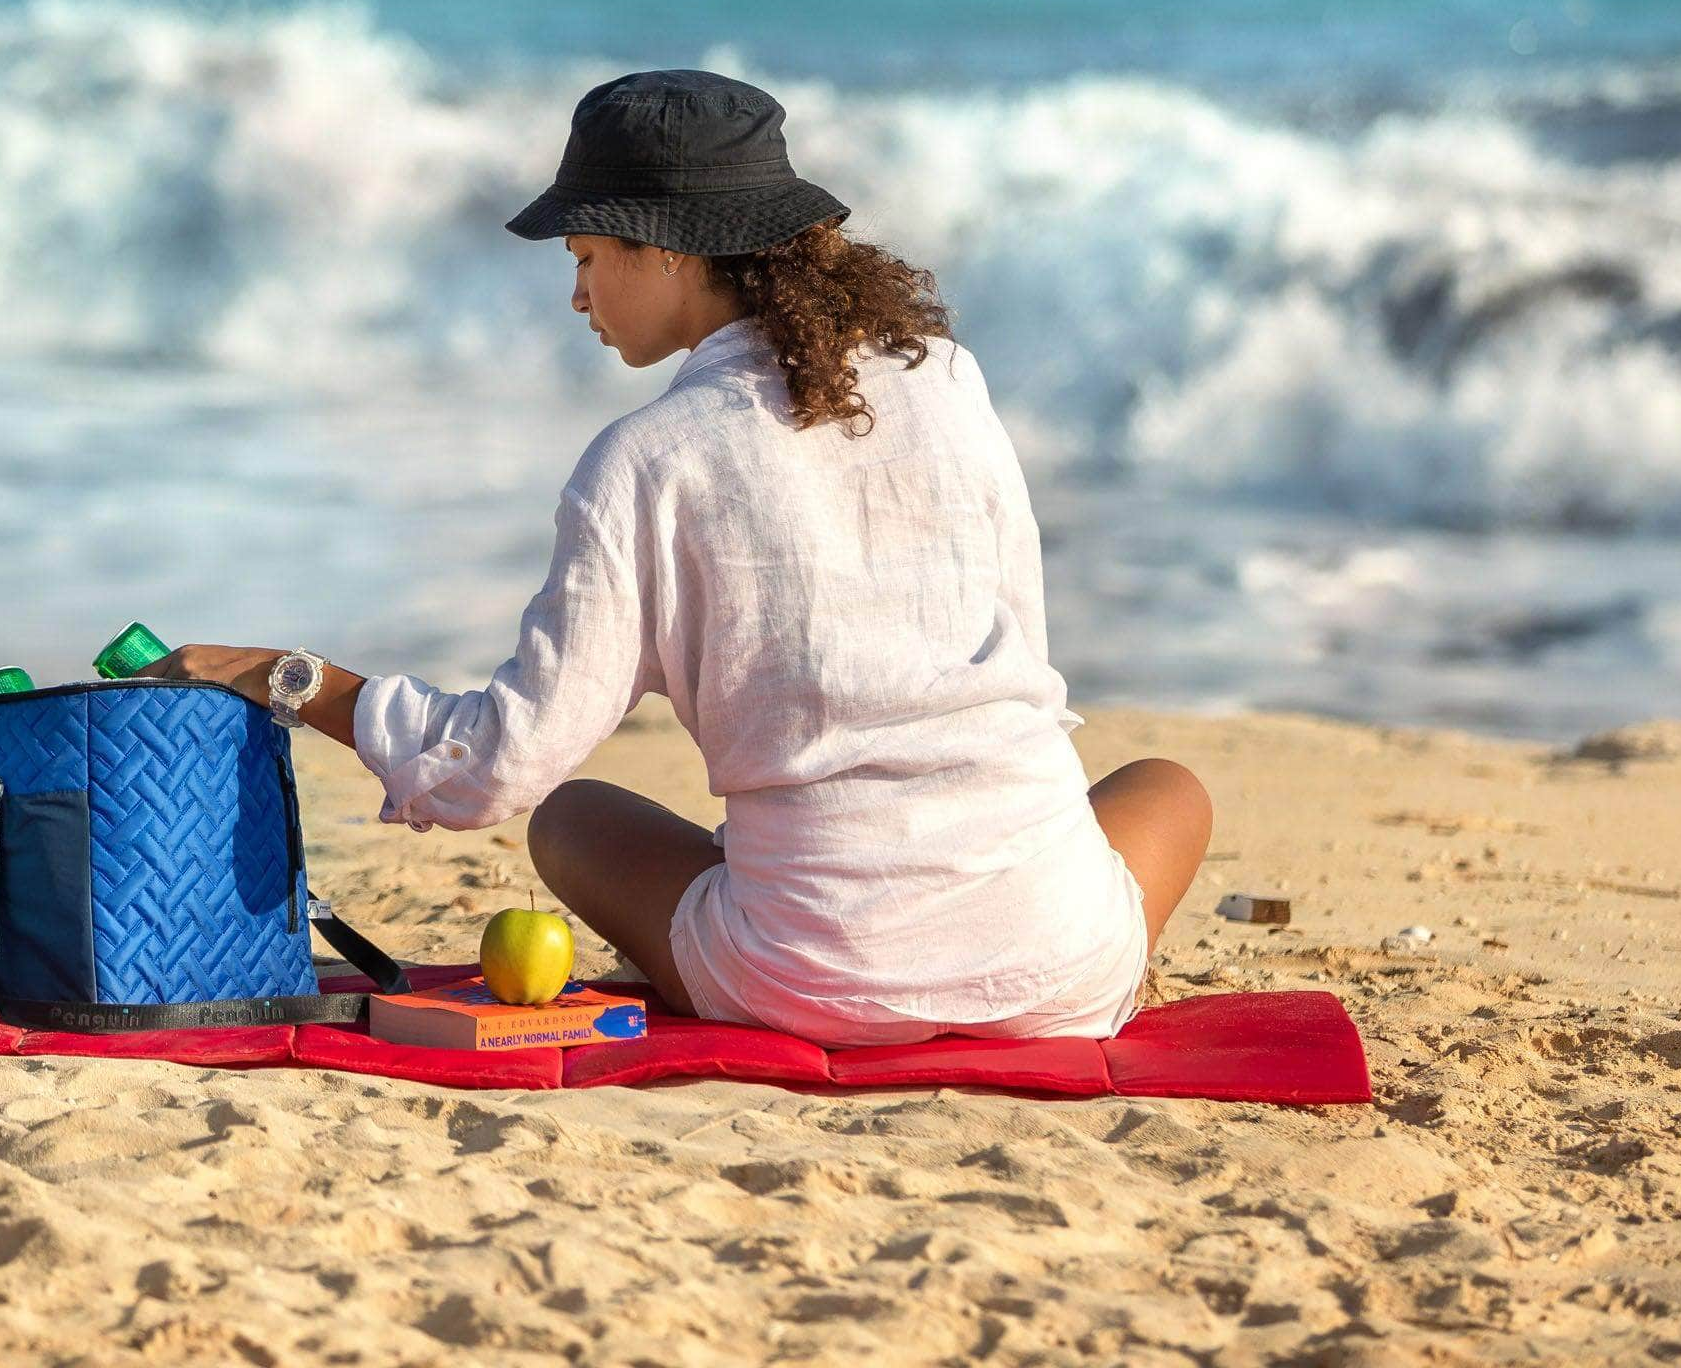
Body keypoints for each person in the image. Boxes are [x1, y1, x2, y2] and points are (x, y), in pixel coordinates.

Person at [144, 69, 1211, 1043]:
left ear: (667, 246)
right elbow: (1021, 644)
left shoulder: (645, 461)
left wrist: (291, 677)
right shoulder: (946, 377)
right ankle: (998, 932)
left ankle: (818, 897)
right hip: (1055, 965)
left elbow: (498, 765)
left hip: (809, 977)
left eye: (588, 256)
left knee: (573, 818)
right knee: (1167, 786)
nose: (578, 294)